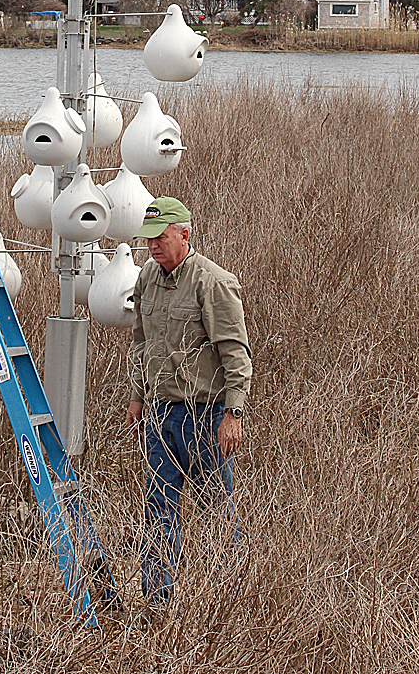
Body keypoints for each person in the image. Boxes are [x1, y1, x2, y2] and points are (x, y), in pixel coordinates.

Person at [125, 196, 251, 609]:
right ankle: (156, 603)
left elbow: (235, 353)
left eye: (160, 238)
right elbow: (142, 342)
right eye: (148, 240)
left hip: (205, 415)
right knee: (158, 508)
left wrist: (233, 413)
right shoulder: (147, 278)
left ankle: (225, 603)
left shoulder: (213, 283)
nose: (153, 247)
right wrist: (138, 396)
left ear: (184, 234)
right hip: (160, 414)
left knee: (216, 508)